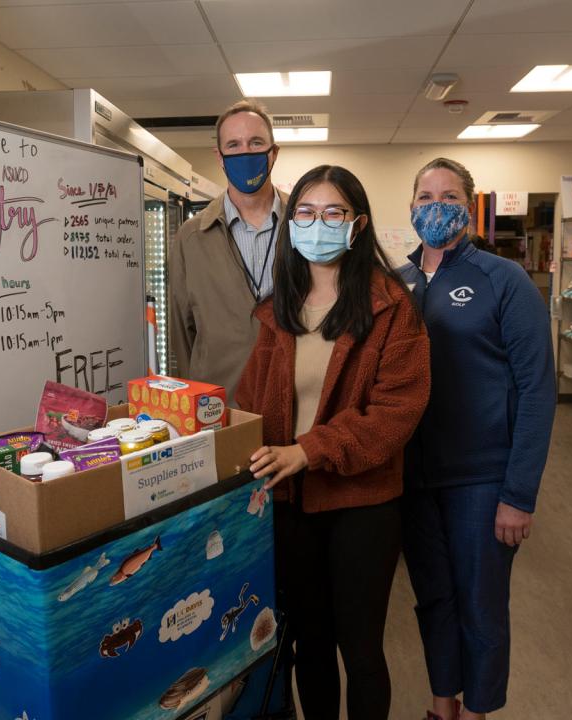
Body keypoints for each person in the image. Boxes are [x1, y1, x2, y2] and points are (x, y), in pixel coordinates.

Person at [237, 165, 431, 720]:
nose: (315, 224)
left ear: (358, 223)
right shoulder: (279, 309)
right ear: (290, 221)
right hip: (289, 503)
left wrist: (309, 450)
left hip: (362, 505)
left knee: (362, 649)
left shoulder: (392, 307)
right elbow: (251, 402)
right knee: (308, 644)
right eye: (304, 212)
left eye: (332, 213)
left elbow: (397, 412)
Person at [397, 158, 555, 720]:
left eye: (448, 194)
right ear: (411, 206)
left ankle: (479, 712)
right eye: (424, 195)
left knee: (481, 608)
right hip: (414, 479)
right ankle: (443, 708)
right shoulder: (399, 282)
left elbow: (538, 390)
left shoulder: (502, 279)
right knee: (434, 600)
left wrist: (520, 494)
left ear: (469, 204)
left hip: (483, 480)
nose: (435, 204)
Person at [169, 100, 285, 399]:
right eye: (234, 145)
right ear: (219, 157)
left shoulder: (305, 223)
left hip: (294, 407)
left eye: (256, 142)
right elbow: (182, 336)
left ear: (274, 153)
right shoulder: (191, 238)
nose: (245, 152)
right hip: (220, 410)